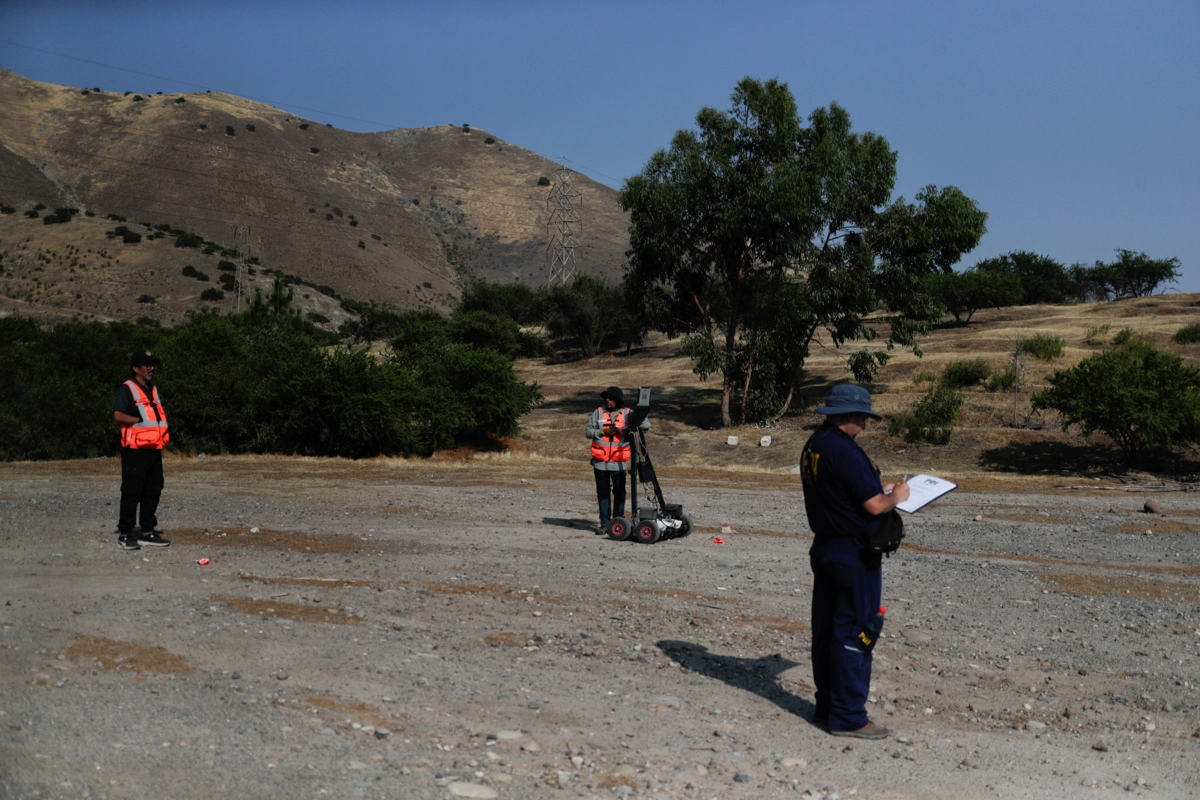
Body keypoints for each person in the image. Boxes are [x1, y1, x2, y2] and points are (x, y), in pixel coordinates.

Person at [800, 384, 908, 739]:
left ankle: (827, 706)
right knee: (856, 632)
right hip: (853, 554)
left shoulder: (815, 445)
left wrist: (879, 488)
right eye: (863, 417)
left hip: (826, 547)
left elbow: (847, 490)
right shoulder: (846, 451)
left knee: (827, 629)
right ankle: (848, 717)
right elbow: (875, 506)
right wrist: (898, 496)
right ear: (849, 415)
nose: (864, 423)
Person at [113, 350, 171, 551]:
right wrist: (139, 421)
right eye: (147, 365)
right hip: (134, 450)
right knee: (132, 491)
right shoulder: (127, 389)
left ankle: (147, 531)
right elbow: (118, 415)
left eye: (153, 364)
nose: (151, 368)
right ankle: (126, 533)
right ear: (135, 368)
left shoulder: (153, 390)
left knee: (153, 489)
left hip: (154, 448)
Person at [585, 386, 649, 531]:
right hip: (600, 463)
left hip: (619, 464)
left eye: (611, 398)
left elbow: (646, 424)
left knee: (619, 493)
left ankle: (618, 523)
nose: (607, 400)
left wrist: (625, 429)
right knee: (602, 493)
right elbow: (588, 432)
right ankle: (605, 524)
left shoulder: (628, 413)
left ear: (618, 400)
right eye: (606, 398)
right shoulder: (599, 412)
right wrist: (602, 431)